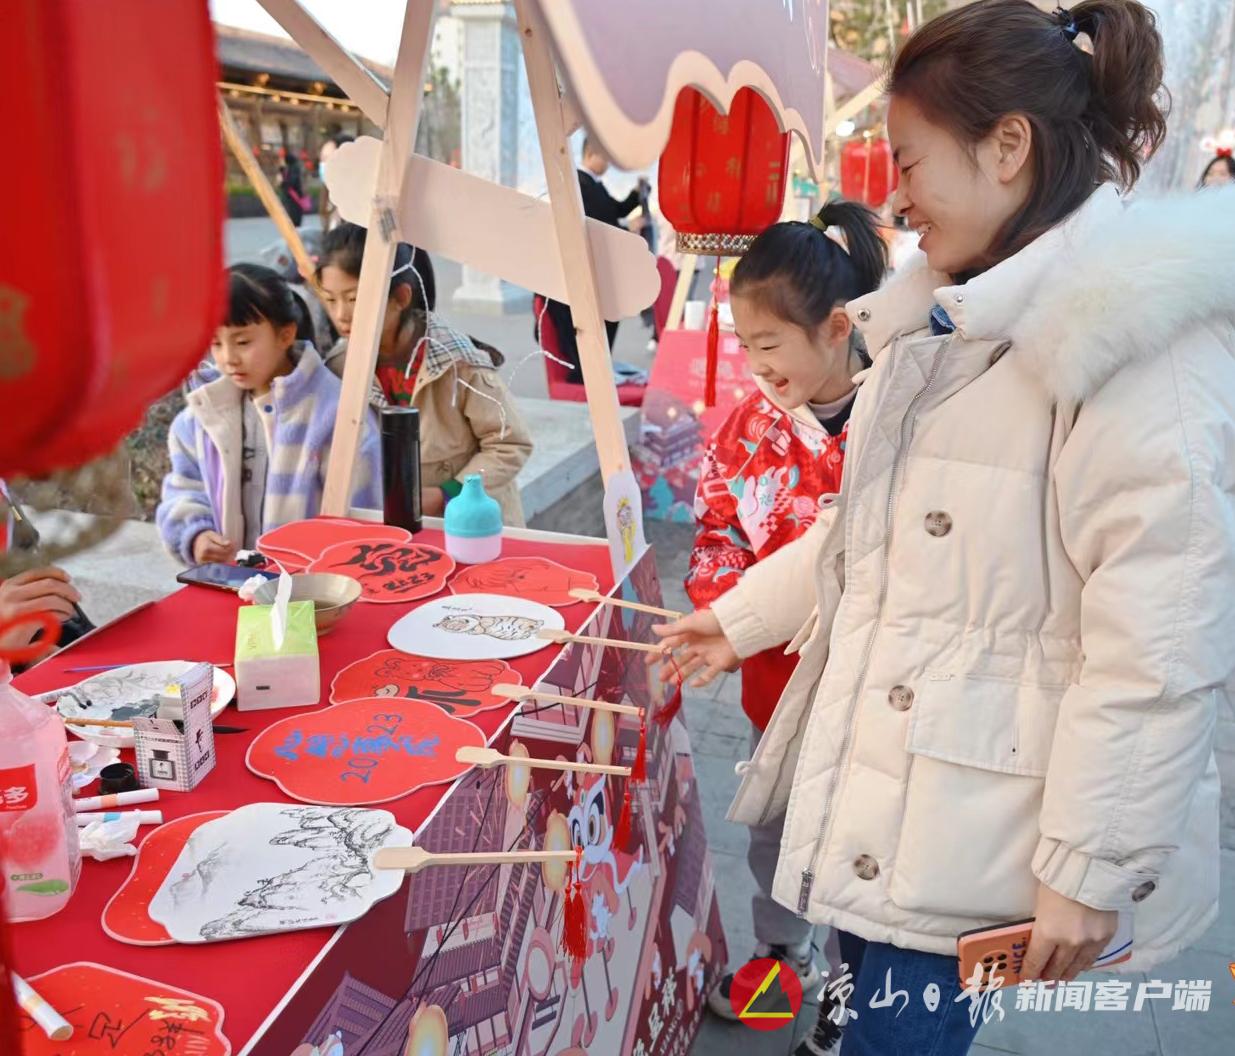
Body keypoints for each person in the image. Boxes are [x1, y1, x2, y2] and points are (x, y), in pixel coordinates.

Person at [654, 3, 1235, 1054]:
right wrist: (739, 619)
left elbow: (1158, 642)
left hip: (985, 829)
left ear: (1005, 146)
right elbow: (863, 531)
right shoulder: (938, 321)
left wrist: (1087, 868)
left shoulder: (1140, 343)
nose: (893, 194)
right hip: (899, 799)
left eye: (911, 161)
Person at [687, 200, 887, 1040]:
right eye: (746, 346)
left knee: (858, 859)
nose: (757, 366)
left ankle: (846, 997)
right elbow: (715, 528)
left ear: (836, 327)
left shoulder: (896, 416)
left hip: (873, 695)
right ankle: (779, 961)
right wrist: (723, 618)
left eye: (770, 346)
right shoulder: (747, 427)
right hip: (775, 689)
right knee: (774, 833)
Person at [157, 264, 382, 565]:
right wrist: (196, 535)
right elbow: (184, 489)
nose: (228, 358)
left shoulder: (337, 414)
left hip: (312, 591)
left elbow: (362, 513)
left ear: (285, 334)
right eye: (215, 343)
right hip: (228, 583)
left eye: (242, 342)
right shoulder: (200, 418)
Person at [316, 223, 533, 526]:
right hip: (384, 523)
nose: (340, 314)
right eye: (330, 299)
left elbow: (510, 443)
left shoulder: (460, 363)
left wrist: (450, 493)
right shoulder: (340, 367)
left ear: (401, 298)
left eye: (353, 299)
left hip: (469, 524)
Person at [544, 136, 649, 382]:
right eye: (606, 157)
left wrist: (636, 195)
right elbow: (592, 227)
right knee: (596, 321)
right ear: (591, 154)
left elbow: (614, 211)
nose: (609, 164)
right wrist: (627, 229)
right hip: (584, 270)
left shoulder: (594, 184)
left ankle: (599, 365)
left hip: (599, 268)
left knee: (608, 318)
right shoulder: (579, 184)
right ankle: (590, 370)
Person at [318, 133, 355, 231]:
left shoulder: (360, 207)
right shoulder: (329, 201)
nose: (323, 165)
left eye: (328, 159)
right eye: (322, 159)